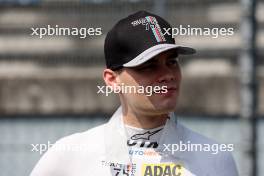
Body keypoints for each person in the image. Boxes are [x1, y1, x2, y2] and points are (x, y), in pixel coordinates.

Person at [30, 10, 238, 176]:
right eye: (148, 66)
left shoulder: (214, 158)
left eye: (172, 62)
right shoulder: (70, 154)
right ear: (112, 80)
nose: (167, 74)